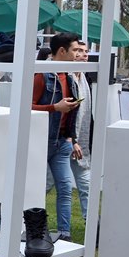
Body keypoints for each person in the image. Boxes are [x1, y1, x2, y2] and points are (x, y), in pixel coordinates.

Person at [32, 32, 83, 241]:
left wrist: (72, 138)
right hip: (41, 141)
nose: (78, 54)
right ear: (62, 51)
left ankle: (64, 234)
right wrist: (55, 107)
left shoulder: (69, 76)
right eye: (75, 50)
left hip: (62, 141)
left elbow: (69, 113)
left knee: (65, 187)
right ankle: (32, 228)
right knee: (38, 187)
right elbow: (26, 105)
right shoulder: (42, 75)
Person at [70, 40, 93, 220]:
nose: (84, 55)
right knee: (48, 183)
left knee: (86, 185)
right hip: (65, 141)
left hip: (81, 143)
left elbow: (86, 114)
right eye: (79, 51)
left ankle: (92, 224)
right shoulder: (65, 78)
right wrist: (72, 139)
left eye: (86, 51)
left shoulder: (85, 78)